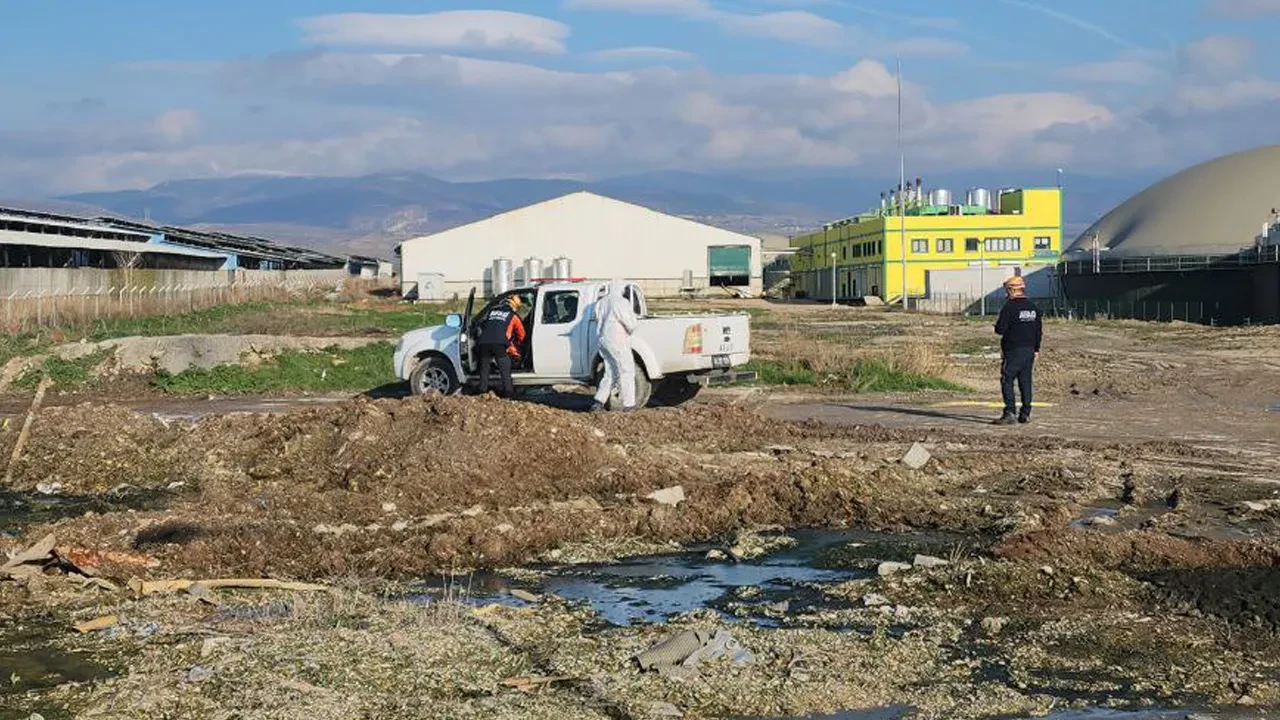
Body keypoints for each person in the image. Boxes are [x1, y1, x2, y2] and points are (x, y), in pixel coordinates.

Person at [992, 275, 1042, 425]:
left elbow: (1001, 329)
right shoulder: (1033, 307)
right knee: (1025, 382)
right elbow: (1038, 331)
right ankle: (1025, 413)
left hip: (1013, 350)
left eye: (1007, 290)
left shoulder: (1009, 307)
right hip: (1029, 350)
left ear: (1012, 290)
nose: (1006, 293)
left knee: (1007, 380)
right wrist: (1036, 349)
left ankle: (1010, 412)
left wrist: (996, 327)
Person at [590, 279, 638, 413]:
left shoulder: (601, 302)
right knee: (627, 370)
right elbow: (630, 323)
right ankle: (629, 404)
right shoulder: (621, 302)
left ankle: (598, 402)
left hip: (603, 340)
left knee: (610, 371)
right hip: (617, 340)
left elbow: (598, 320)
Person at [476, 295, 526, 398]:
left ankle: (482, 393)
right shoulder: (513, 316)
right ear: (514, 306)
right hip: (499, 344)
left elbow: (483, 325)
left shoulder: (491, 312)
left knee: (484, 369)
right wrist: (518, 344)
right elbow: (522, 334)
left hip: (483, 343)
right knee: (505, 369)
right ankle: (508, 394)